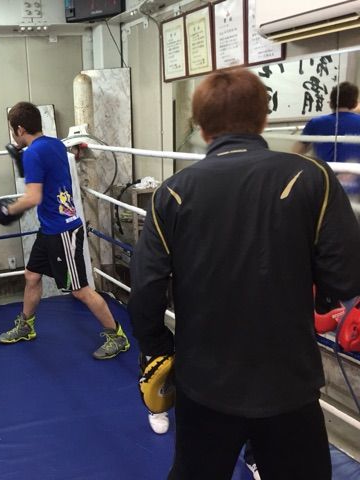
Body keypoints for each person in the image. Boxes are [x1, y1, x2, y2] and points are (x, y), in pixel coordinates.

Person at [129, 69, 360, 479]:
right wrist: (319, 291)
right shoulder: (313, 177)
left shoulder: (173, 192)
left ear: (201, 127)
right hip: (289, 380)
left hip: (204, 380)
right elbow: (347, 279)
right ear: (263, 118)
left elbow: (145, 292)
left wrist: (161, 349)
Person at [0, 101, 130, 360]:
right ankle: (26, 326)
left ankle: (117, 336)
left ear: (20, 129)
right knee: (31, 275)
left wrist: (8, 209)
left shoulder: (34, 153)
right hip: (50, 228)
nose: (13, 136)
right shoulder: (54, 144)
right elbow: (47, 174)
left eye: (13, 131)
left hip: (62, 231)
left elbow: (33, 197)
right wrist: (22, 160)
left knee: (79, 290)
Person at [293, 81, 360, 162]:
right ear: (355, 104)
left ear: (330, 103)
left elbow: (296, 152)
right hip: (355, 169)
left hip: (323, 169)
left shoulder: (315, 122)